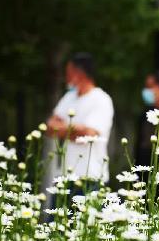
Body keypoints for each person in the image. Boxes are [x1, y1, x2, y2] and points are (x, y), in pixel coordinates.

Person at [42, 52, 114, 195]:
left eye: (68, 72)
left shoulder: (101, 99)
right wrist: (76, 130)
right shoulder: (69, 97)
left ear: (79, 73)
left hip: (90, 177)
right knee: (56, 216)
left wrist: (63, 129)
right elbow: (49, 127)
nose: (66, 77)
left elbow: (89, 135)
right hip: (65, 175)